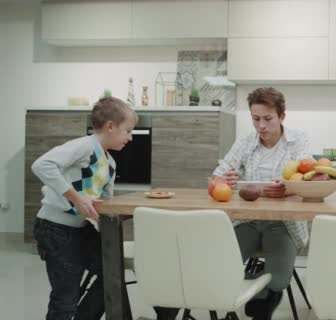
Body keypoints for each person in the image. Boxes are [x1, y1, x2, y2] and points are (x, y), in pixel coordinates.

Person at [154, 87, 311, 320]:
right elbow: (214, 180)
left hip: (283, 224)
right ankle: (173, 301)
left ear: (281, 117)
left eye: (268, 119)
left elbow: (307, 183)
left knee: (277, 281)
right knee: (214, 266)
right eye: (256, 119)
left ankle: (264, 291)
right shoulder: (246, 142)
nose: (261, 126)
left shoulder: (298, 141)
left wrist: (289, 190)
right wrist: (220, 180)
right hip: (246, 220)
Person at [32, 97, 137, 320]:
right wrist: (75, 197)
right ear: (110, 126)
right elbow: (41, 165)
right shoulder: (84, 146)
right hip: (55, 229)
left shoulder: (110, 164)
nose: (131, 137)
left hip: (80, 230)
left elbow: (105, 205)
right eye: (128, 130)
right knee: (65, 298)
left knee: (112, 275)